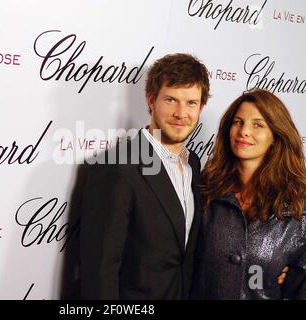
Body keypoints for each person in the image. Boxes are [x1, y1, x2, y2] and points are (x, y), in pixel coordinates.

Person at [79, 53, 210, 299]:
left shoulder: (193, 163)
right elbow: (100, 271)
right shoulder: (117, 165)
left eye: (191, 103)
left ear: (201, 107)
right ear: (151, 100)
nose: (181, 113)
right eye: (171, 100)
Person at [191, 89, 306, 299]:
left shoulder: (301, 207)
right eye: (238, 122)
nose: (244, 131)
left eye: (258, 124)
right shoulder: (206, 190)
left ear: (276, 135)